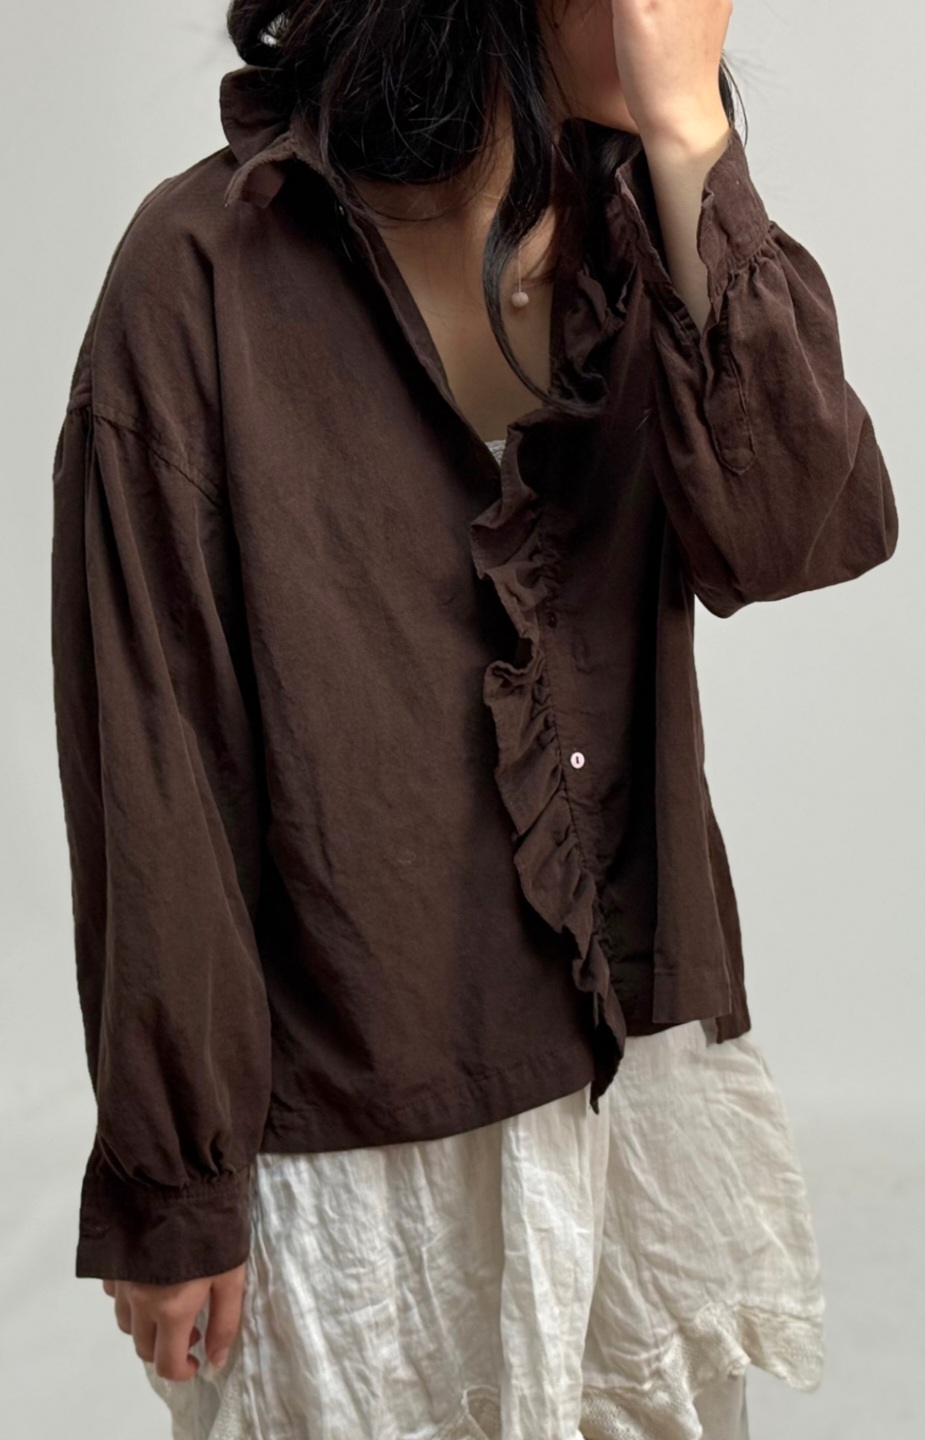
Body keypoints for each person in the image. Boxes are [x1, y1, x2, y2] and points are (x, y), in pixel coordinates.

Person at [50, 2, 898, 1437]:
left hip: (627, 1085)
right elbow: (152, 755)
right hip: (353, 1132)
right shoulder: (201, 271)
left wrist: (694, 139)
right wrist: (172, 1177)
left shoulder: (647, 225)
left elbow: (799, 533)